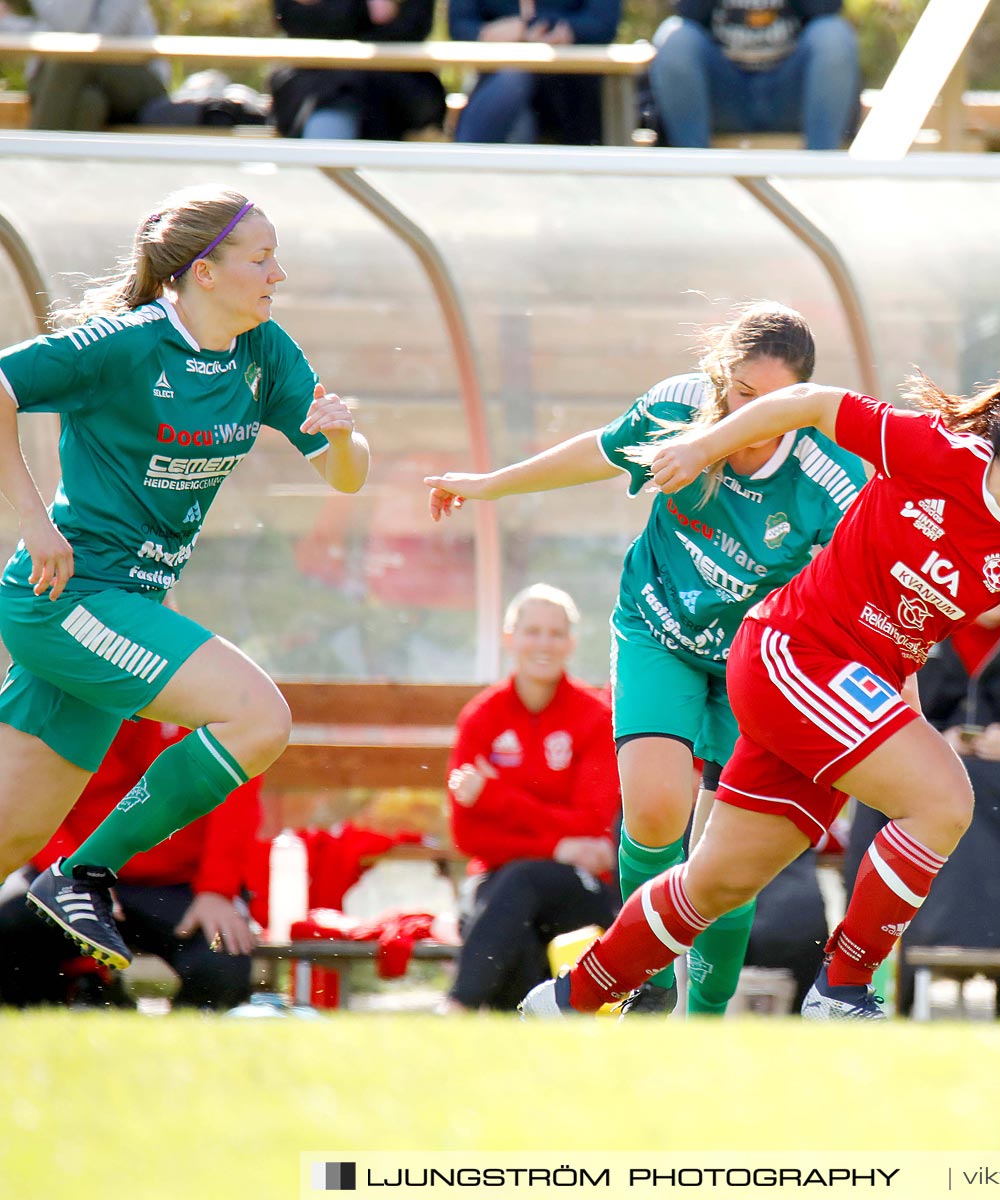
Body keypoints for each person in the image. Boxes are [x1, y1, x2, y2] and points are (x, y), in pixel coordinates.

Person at [521, 369, 1000, 1021]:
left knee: (718, 881)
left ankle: (570, 998)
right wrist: (704, 446)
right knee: (944, 797)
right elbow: (810, 403)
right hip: (792, 653)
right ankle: (845, 988)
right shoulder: (937, 451)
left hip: (837, 701)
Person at [426, 302, 863, 1016]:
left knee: (724, 860)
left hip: (757, 661)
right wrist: (488, 485)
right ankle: (649, 979)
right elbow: (598, 450)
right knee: (658, 813)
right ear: (720, 378)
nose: (752, 418)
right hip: (658, 629)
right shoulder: (679, 406)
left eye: (776, 404)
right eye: (741, 396)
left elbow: (871, 585)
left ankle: (706, 1015)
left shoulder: (829, 474)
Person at [0, 186, 371, 971]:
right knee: (260, 719)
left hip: (118, 606)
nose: (280, 273)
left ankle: (65, 870)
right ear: (205, 272)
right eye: (262, 258)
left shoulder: (264, 350)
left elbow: (347, 476)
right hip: (68, 596)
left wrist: (339, 441)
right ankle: (83, 877)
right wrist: (33, 524)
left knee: (11, 835)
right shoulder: (128, 343)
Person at [842, 598, 1000, 1016]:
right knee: (889, 791)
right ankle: (890, 949)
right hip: (928, 784)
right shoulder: (916, 634)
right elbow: (881, 721)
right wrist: (940, 738)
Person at [442, 584, 623, 1011]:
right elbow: (466, 835)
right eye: (533, 631)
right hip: (499, 883)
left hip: (578, 889)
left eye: (556, 633)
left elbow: (590, 824)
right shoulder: (481, 718)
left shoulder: (596, 718)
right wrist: (556, 844)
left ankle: (455, 1010)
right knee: (516, 923)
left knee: (520, 882)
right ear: (510, 638)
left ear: (571, 644)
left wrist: (494, 797)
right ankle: (524, 1039)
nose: (544, 643)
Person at [0, 717, 261, 1009]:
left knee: (221, 960)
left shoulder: (216, 690)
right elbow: (34, 797)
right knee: (9, 928)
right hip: (71, 873)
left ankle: (181, 1049)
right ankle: (69, 1008)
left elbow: (238, 792)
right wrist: (76, 873)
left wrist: (216, 890)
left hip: (182, 887)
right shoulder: (70, 688)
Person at [649, 0, 860, 151]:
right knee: (675, 38)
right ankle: (695, 175)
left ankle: (820, 174)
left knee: (834, 34)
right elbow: (688, 12)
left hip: (791, 97)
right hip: (724, 97)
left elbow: (827, 8)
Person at [270, 0, 447, 141]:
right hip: (313, 81)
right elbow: (298, 20)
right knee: (337, 93)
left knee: (353, 89)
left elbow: (411, 27)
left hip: (398, 83)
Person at [449, 0, 620, 145]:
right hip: (500, 85)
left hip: (573, 92)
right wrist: (488, 33)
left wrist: (537, 27)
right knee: (518, 113)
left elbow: (603, 24)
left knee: (514, 82)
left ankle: (460, 165)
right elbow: (459, 24)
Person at [0, 0, 166, 131]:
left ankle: (32, 161)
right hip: (68, 82)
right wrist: (8, 22)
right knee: (89, 103)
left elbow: (97, 37)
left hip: (137, 80)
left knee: (69, 58)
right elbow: (53, 29)